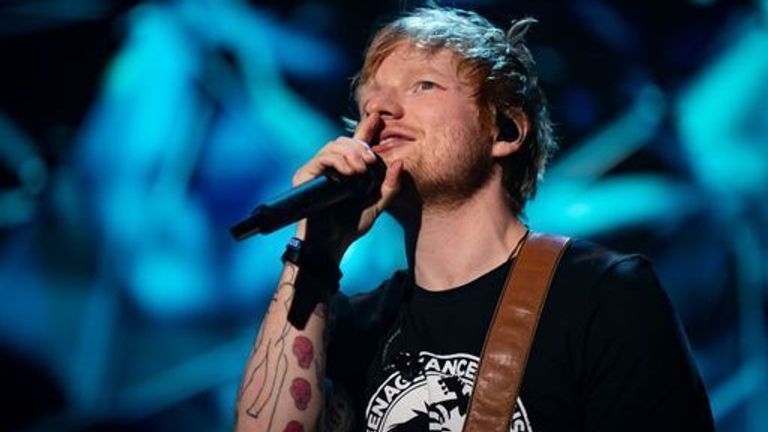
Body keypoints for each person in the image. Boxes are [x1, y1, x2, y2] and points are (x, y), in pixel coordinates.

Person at [235, 7, 714, 432]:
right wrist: (313, 257)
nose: (380, 111)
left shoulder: (602, 296)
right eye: (367, 103)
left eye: (424, 85)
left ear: (504, 130)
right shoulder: (347, 326)